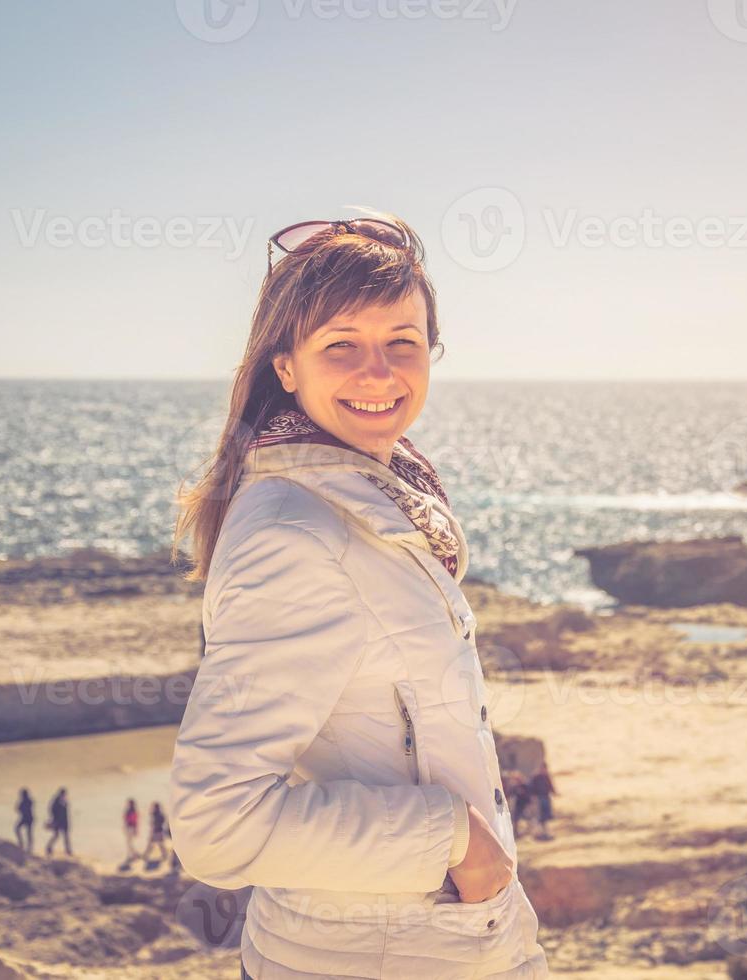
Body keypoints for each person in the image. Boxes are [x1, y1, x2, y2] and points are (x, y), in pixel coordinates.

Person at [168, 213, 547, 980]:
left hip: (416, 945)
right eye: (341, 345)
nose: (380, 373)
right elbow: (216, 826)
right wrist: (453, 842)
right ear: (286, 365)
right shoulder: (298, 533)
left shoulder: (374, 495)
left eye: (402, 343)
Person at [529, 764, 557, 840]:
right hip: (538, 798)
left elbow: (550, 785)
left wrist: (554, 792)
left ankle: (545, 832)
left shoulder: (546, 777)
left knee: (546, 815)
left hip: (546, 797)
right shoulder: (536, 777)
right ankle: (539, 834)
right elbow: (531, 788)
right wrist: (533, 797)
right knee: (539, 815)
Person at [44, 788, 71, 857]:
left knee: (63, 836)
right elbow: (52, 810)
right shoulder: (57, 801)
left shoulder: (62, 800)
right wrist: (55, 819)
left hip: (63, 821)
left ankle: (67, 850)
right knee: (58, 835)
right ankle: (49, 848)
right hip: (59, 821)